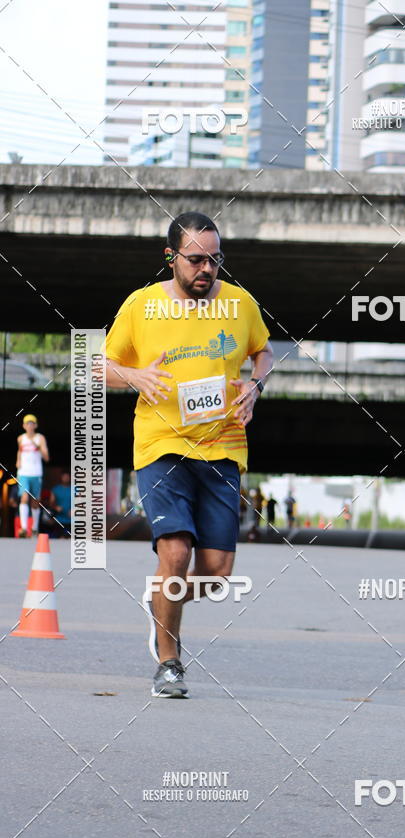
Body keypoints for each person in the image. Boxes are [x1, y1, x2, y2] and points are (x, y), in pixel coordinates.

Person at [104, 211, 273, 698]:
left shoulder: (240, 305)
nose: (207, 269)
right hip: (160, 444)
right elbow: (100, 365)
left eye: (215, 259)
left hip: (222, 448)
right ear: (170, 257)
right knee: (175, 554)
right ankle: (170, 659)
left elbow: (264, 350)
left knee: (217, 576)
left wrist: (256, 385)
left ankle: (160, 600)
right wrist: (133, 376)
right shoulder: (142, 306)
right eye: (196, 259)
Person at [15, 414, 49, 538]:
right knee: (24, 498)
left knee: (35, 501)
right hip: (24, 473)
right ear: (24, 426)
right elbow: (19, 450)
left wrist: (38, 447)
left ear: (35, 425)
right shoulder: (20, 438)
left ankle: (34, 528)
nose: (29, 425)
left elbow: (46, 457)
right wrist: (18, 461)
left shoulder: (40, 438)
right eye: (27, 423)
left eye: (32, 423)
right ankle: (24, 528)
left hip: (36, 473)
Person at [49, 471, 72, 537]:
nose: (66, 478)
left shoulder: (75, 489)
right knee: (60, 538)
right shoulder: (55, 489)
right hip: (59, 519)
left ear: (70, 478)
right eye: (64, 477)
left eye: (67, 477)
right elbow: (51, 503)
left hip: (72, 520)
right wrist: (56, 507)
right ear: (61, 478)